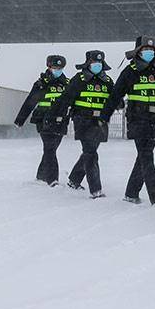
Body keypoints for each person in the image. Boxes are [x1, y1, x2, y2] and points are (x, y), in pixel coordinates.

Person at [100, 36, 155, 207]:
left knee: (143, 156)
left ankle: (131, 193)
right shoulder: (130, 71)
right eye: (145, 50)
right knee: (147, 156)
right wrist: (104, 116)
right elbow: (115, 95)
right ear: (137, 51)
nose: (149, 52)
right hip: (138, 119)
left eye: (152, 50)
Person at [51, 50, 115, 199]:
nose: (97, 65)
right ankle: (96, 189)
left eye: (99, 63)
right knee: (91, 152)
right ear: (88, 63)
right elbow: (65, 98)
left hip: (100, 122)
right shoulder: (79, 79)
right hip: (83, 120)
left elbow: (114, 97)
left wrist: (118, 104)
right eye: (94, 63)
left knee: (89, 152)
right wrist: (55, 115)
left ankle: (74, 180)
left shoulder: (107, 81)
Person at [13, 55, 70, 187]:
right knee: (50, 148)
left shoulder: (67, 83)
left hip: (61, 121)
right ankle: (52, 179)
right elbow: (30, 102)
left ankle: (41, 175)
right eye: (55, 67)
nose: (58, 70)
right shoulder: (41, 84)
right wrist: (20, 120)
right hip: (44, 120)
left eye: (60, 68)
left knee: (51, 149)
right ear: (49, 67)